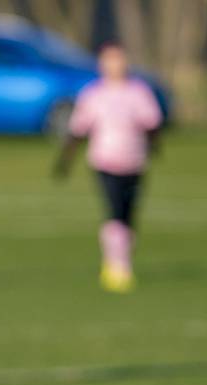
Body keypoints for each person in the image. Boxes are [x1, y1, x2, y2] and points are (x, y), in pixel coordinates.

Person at [55, 42, 163, 293]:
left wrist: (155, 146)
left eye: (119, 59)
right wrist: (65, 161)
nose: (115, 64)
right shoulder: (94, 94)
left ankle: (118, 260)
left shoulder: (138, 91)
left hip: (134, 162)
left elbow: (151, 123)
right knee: (114, 212)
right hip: (104, 160)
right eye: (110, 59)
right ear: (102, 63)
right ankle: (118, 267)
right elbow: (78, 129)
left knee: (128, 217)